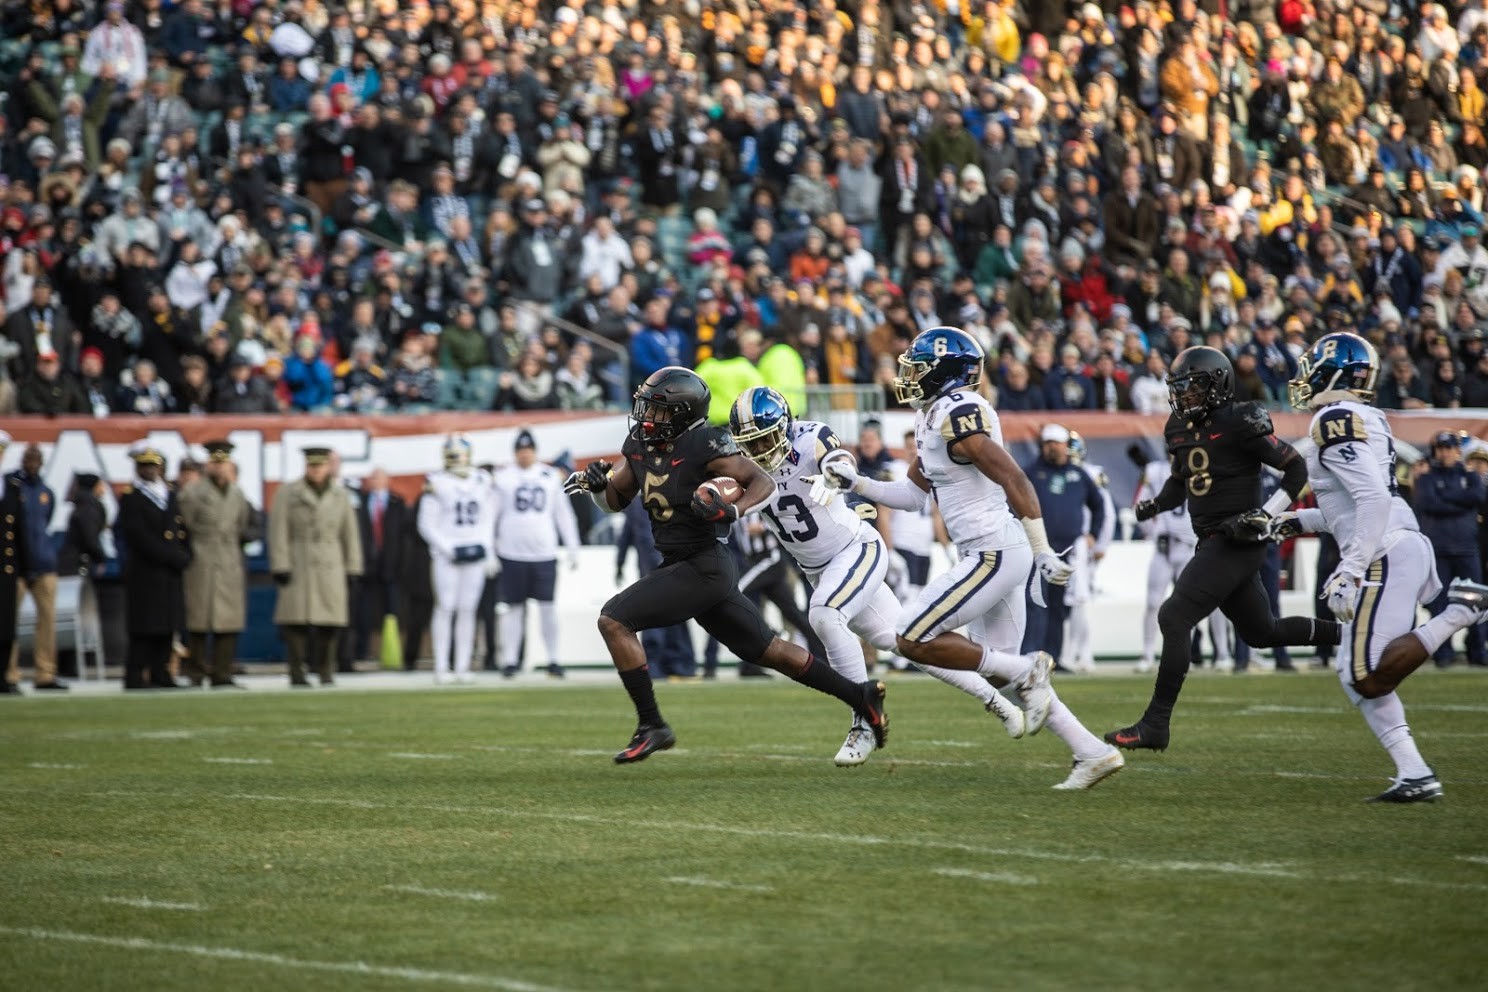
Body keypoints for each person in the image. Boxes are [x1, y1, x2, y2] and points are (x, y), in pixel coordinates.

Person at [823, 328, 1125, 790]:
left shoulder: (959, 411)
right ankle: (1093, 752)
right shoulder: (933, 416)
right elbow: (910, 495)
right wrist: (856, 482)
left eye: (918, 368)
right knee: (1002, 672)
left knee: (912, 636)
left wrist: (1042, 548)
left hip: (994, 550)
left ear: (945, 373)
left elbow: (1013, 477)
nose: (909, 376)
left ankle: (1030, 667)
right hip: (989, 551)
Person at [562, 366, 889, 764]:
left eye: (658, 410)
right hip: (685, 566)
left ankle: (652, 725)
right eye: (646, 407)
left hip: (704, 566)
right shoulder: (640, 443)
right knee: (768, 650)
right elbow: (616, 500)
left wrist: (733, 512)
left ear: (681, 413)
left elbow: (762, 483)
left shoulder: (705, 443)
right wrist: (598, 488)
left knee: (613, 621)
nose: (647, 416)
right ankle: (861, 696)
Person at [732, 385, 1025, 766]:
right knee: (903, 641)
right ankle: (994, 698)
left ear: (785, 426)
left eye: (765, 440)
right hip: (819, 569)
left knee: (823, 614)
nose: (758, 451)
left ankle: (864, 719)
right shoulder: (740, 464)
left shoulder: (810, 436)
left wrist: (835, 475)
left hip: (856, 549)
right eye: (749, 444)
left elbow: (838, 458)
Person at [1111, 347, 1342, 752]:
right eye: (1179, 389)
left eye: (1192, 387)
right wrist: (1156, 505)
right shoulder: (1178, 426)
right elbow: (1181, 480)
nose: (1184, 397)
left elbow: (1296, 468)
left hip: (1238, 538)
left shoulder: (1241, 419)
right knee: (1262, 632)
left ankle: (1155, 725)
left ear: (1217, 385)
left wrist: (1265, 515)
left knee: (1174, 615)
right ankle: (1359, 634)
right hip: (1212, 539)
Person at [1268, 334, 1454, 802]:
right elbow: (1350, 506)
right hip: (1393, 542)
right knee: (1357, 677)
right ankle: (1415, 773)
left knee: (1364, 673)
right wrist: (1296, 522)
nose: (1306, 377)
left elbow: (1371, 499)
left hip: (1383, 549)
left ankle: (1461, 612)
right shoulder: (1363, 417)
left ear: (1335, 372)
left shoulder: (1334, 418)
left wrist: (1349, 570)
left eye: (1313, 367)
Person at [1129, 445, 1235, 675]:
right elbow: (1140, 505)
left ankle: (1223, 653)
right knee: (1153, 602)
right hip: (1164, 547)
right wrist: (1151, 530)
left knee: (1211, 602)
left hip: (1192, 546)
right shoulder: (1156, 471)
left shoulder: (1203, 471)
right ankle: (1147, 654)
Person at [269, 447, 362, 687]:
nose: (316, 471)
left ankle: (325, 670)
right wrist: (280, 563)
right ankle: (297, 671)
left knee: (330, 621)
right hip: (299, 559)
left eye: (320, 466)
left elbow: (349, 534)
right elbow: (279, 531)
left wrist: (353, 566)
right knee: (296, 621)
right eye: (312, 466)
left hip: (330, 561)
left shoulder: (340, 495)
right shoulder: (288, 493)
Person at [492, 430, 579, 679]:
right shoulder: (503, 477)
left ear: (535, 451)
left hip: (544, 551)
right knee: (513, 608)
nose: (525, 454)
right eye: (521, 450)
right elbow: (491, 515)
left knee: (547, 608)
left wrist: (572, 545)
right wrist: (491, 549)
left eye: (528, 449)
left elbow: (563, 514)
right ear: (515, 452)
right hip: (511, 551)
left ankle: (552, 658)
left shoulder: (549, 476)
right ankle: (510, 659)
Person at [1022, 425, 1105, 673]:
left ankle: (1053, 658)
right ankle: (1031, 655)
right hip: (1038, 548)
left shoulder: (1078, 474)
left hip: (1069, 550)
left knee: (1060, 605)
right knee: (1036, 601)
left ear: (1064, 446)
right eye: (1047, 443)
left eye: (1055, 443)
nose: (1051, 447)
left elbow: (1099, 504)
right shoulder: (1031, 473)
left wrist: (1094, 534)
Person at [417, 434, 498, 685]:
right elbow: (426, 524)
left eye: (459, 454)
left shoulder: (482, 480)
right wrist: (448, 548)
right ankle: (442, 666)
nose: (455, 459)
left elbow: (488, 517)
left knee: (468, 609)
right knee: (445, 607)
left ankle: (463, 665)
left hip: (474, 551)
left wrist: (486, 548)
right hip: (447, 555)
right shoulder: (436, 482)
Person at [177, 440, 257, 689]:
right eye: (216, 462)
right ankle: (196, 671)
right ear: (208, 464)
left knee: (228, 620)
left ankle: (223, 672)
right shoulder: (192, 493)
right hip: (202, 558)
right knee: (199, 619)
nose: (220, 468)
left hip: (229, 558)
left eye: (224, 463)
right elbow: (185, 527)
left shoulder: (237, 493)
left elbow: (243, 525)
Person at [116, 442, 190, 690]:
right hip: (145, 571)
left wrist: (185, 553)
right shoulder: (132, 497)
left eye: (153, 466)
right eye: (144, 466)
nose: (149, 471)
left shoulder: (169, 494)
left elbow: (180, 528)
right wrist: (169, 555)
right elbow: (137, 534)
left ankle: (162, 671)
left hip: (169, 573)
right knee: (144, 626)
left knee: (167, 625)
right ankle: (135, 673)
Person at [1413, 431, 1487, 667]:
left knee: (1475, 601)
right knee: (1439, 603)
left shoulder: (1470, 476)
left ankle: (1477, 650)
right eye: (1440, 448)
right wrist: (1461, 502)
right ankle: (1442, 653)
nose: (1445, 453)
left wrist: (1445, 497)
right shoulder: (1426, 477)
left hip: (1467, 547)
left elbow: (1477, 496)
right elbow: (1428, 503)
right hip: (1439, 548)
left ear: (1457, 450)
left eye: (1449, 448)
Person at [5, 444, 64, 691]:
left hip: (43, 563)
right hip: (16, 564)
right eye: (29, 458)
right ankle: (9, 673)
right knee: (9, 620)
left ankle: (45, 673)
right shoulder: (12, 488)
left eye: (37, 459)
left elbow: (45, 522)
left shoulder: (46, 491)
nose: (33, 462)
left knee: (48, 621)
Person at [1063, 431, 1116, 674]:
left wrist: (1101, 543)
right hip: (1069, 542)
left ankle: (1072, 654)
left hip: (1084, 542)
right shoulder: (1061, 473)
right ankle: (1083, 653)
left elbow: (1106, 511)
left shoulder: (1093, 474)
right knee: (1077, 600)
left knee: (1078, 599)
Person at [353, 468, 406, 665]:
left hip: (390, 565)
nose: (375, 480)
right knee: (362, 611)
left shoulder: (396, 502)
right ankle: (362, 650)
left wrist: (400, 563)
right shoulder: (361, 501)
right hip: (366, 564)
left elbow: (401, 537)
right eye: (372, 477)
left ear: (387, 480)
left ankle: (391, 652)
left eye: (379, 477)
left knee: (391, 610)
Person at [0, 432, 28, 695]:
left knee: (6, 625)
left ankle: (3, 676)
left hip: (7, 569)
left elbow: (19, 532)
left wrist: (25, 566)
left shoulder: (11, 487)